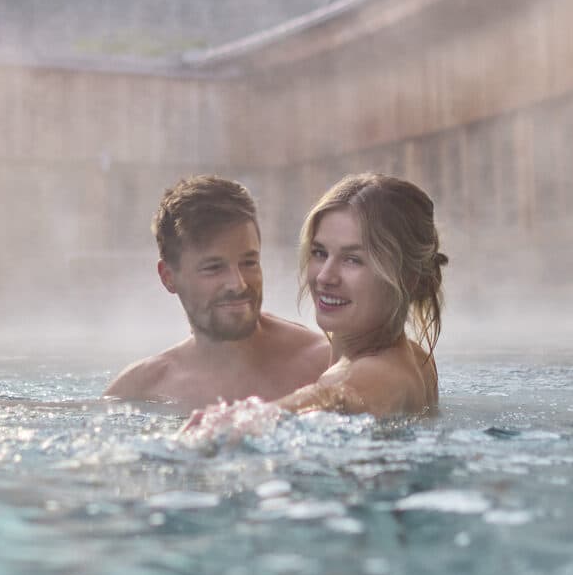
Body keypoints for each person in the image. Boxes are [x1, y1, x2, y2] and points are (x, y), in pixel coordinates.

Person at [184, 172, 444, 436]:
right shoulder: (416, 358)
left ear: (408, 277)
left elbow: (339, 396)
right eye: (320, 253)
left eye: (353, 259)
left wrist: (245, 419)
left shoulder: (381, 372)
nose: (325, 277)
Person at [105, 175, 332, 411]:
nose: (238, 284)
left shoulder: (323, 364)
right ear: (168, 277)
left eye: (249, 262)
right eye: (213, 268)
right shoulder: (142, 389)